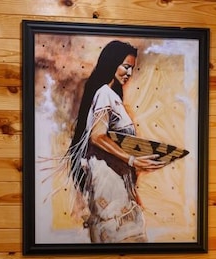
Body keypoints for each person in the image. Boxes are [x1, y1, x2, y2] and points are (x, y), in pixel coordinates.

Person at [65, 40, 166, 243]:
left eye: (132, 68)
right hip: (109, 186)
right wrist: (133, 161)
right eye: (126, 66)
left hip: (117, 186)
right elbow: (97, 136)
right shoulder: (104, 94)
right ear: (112, 63)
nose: (129, 73)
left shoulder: (111, 96)